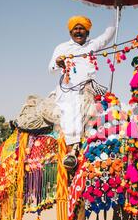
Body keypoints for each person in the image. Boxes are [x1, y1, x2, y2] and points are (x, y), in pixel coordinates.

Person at [49, 15, 116, 168]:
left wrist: (115, 13)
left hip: (89, 90)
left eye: (82, 29)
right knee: (70, 111)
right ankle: (73, 151)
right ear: (70, 32)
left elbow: (109, 34)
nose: (78, 31)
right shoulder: (62, 48)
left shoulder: (93, 45)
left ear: (87, 31)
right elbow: (50, 68)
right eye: (75, 29)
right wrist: (58, 63)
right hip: (67, 90)